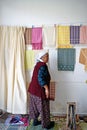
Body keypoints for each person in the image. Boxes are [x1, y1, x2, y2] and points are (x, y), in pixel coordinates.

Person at [28, 50, 55, 129]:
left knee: (34, 107)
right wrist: (46, 89)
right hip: (38, 91)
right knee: (44, 108)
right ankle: (46, 125)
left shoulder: (38, 64)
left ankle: (35, 121)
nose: (48, 57)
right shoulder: (43, 65)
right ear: (42, 58)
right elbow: (40, 79)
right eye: (47, 56)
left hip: (32, 90)